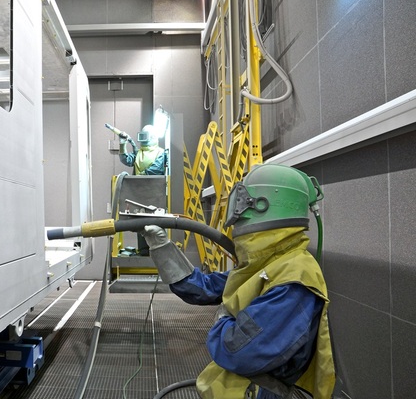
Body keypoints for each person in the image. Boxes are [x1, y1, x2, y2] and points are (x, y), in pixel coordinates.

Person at [141, 164, 335, 399]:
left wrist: (223, 318)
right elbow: (200, 288)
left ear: (262, 205)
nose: (236, 216)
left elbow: (238, 351)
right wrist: (162, 246)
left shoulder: (294, 280)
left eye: (241, 204)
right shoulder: (268, 264)